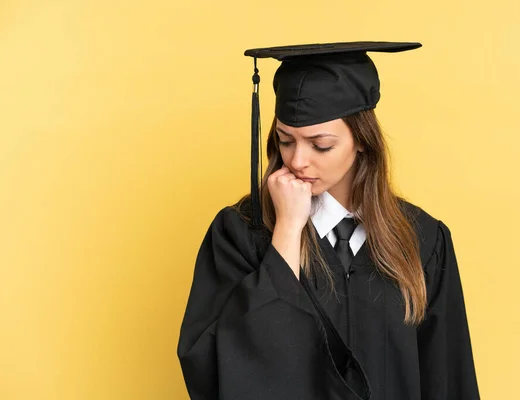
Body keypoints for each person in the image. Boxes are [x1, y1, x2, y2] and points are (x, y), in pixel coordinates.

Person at [177, 41, 480, 400]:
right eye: (285, 140)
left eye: (320, 144)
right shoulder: (241, 232)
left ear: (363, 141)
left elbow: (447, 375)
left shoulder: (422, 239)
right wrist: (288, 231)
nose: (298, 160)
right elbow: (214, 364)